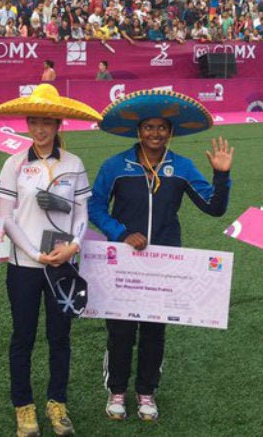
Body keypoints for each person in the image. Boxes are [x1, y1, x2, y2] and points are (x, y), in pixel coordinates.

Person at [89, 89, 234, 423]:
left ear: (171, 131)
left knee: (154, 332)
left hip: (165, 267)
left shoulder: (182, 166)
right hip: (124, 262)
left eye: (162, 128)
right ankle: (117, 390)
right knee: (121, 331)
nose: (155, 134)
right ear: (138, 130)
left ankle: (146, 392)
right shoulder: (115, 166)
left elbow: (214, 208)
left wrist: (221, 176)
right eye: (148, 127)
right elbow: (95, 205)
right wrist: (121, 232)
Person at [0, 84, 103, 437]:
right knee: (22, 337)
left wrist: (74, 246)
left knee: (60, 337)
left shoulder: (74, 163)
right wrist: (35, 254)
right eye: (34, 121)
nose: (40, 129)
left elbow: (82, 210)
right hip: (24, 267)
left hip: (63, 266)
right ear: (27, 122)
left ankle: (57, 404)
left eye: (47, 122)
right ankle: (24, 408)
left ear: (58, 124)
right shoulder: (14, 164)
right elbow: (4, 217)